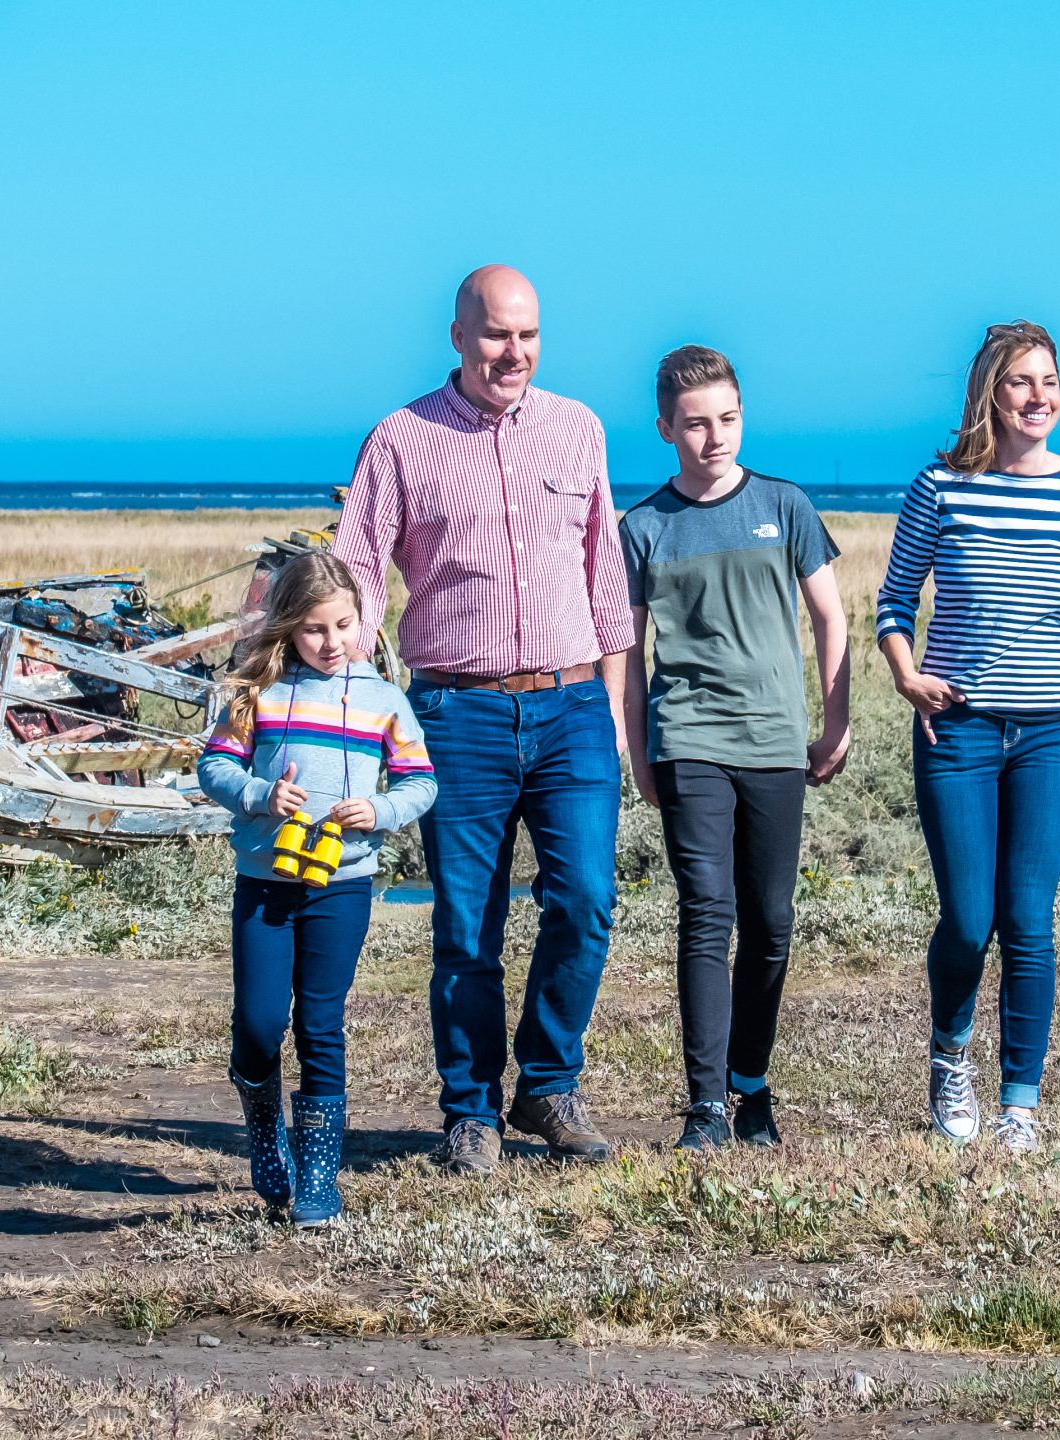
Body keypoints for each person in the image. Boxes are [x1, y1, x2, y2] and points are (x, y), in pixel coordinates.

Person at [332, 265, 634, 1177]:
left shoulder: (578, 428)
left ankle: (548, 1085)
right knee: (467, 924)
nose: (517, 353)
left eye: (530, 335)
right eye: (499, 335)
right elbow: (355, 580)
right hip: (454, 713)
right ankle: (470, 1113)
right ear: (459, 336)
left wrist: (616, 719)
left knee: (585, 901)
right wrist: (341, 705)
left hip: (574, 704)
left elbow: (606, 581)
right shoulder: (399, 439)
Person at [873, 320, 1060, 1154]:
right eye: (1021, 382)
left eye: (1049, 381)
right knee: (967, 918)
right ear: (991, 391)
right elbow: (892, 603)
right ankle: (950, 1058)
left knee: (1029, 919)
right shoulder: (941, 486)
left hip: (1052, 732)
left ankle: (1020, 1101)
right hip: (959, 732)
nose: (1038, 397)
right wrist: (906, 675)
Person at [619, 346, 851, 1151]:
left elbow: (832, 617)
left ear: (741, 417)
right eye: (695, 424)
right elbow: (627, 649)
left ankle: (752, 1084)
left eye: (726, 419)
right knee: (706, 914)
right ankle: (706, 1105)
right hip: (688, 736)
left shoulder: (786, 505)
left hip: (777, 740)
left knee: (773, 920)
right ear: (664, 429)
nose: (714, 438)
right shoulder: (644, 526)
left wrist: (836, 719)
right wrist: (635, 749)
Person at [198, 551, 437, 1226]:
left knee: (321, 1023)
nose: (331, 642)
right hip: (265, 885)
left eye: (343, 625)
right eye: (313, 629)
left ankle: (319, 1179)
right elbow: (213, 769)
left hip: (344, 885)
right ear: (287, 629)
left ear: (363, 620)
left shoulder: (385, 702)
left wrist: (382, 810)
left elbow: (421, 783)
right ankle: (266, 1131)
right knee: (260, 1023)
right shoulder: (258, 695)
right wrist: (260, 793)